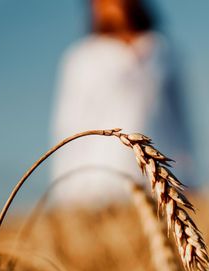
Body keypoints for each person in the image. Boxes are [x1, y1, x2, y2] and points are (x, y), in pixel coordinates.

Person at [51, 0, 194, 206]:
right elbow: (67, 123)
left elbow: (181, 119)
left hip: (161, 176)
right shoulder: (81, 57)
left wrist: (189, 174)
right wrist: (65, 188)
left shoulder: (163, 49)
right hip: (100, 180)